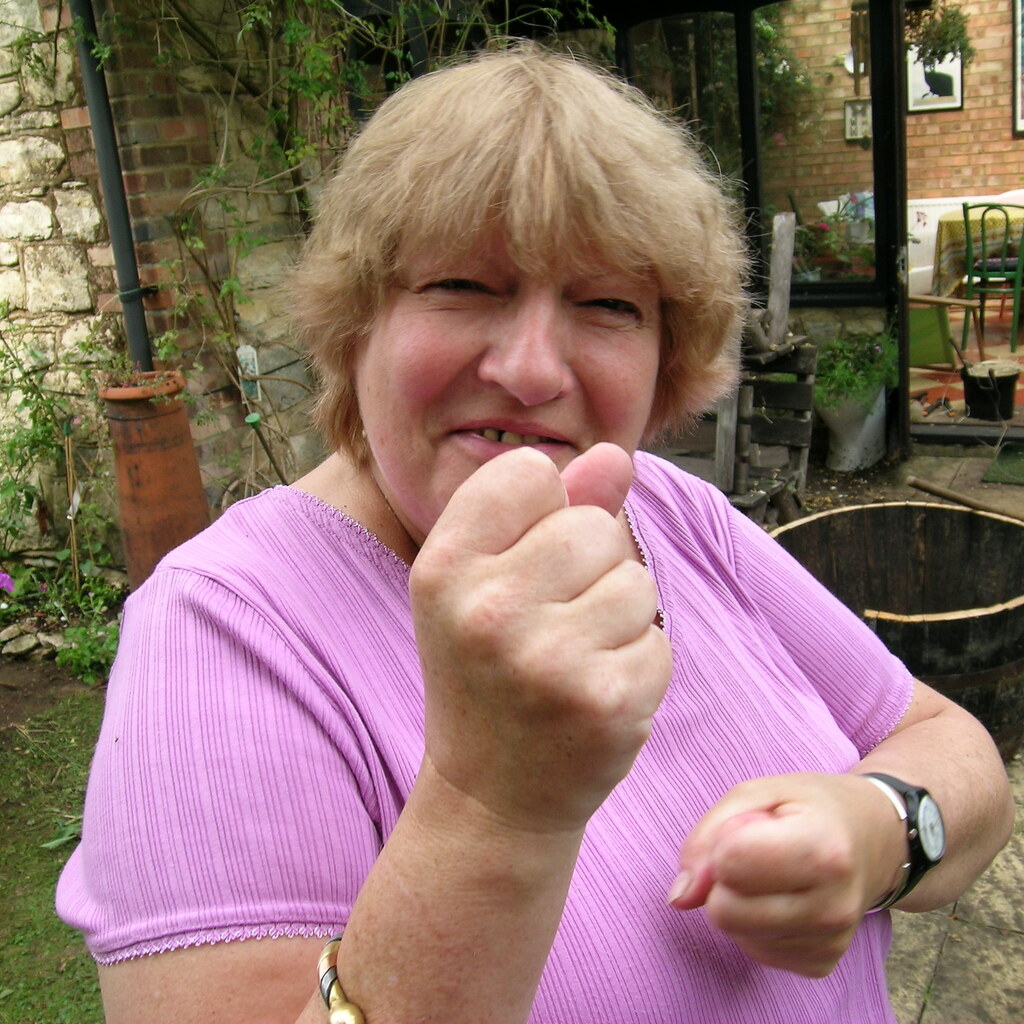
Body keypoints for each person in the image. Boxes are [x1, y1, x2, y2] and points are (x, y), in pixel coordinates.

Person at [57, 44, 1013, 1024]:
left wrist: (878, 827)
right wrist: (490, 801)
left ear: (665, 359)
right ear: (356, 325)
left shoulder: (672, 516)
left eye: (606, 304)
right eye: (463, 286)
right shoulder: (224, 628)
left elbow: (950, 745)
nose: (529, 369)